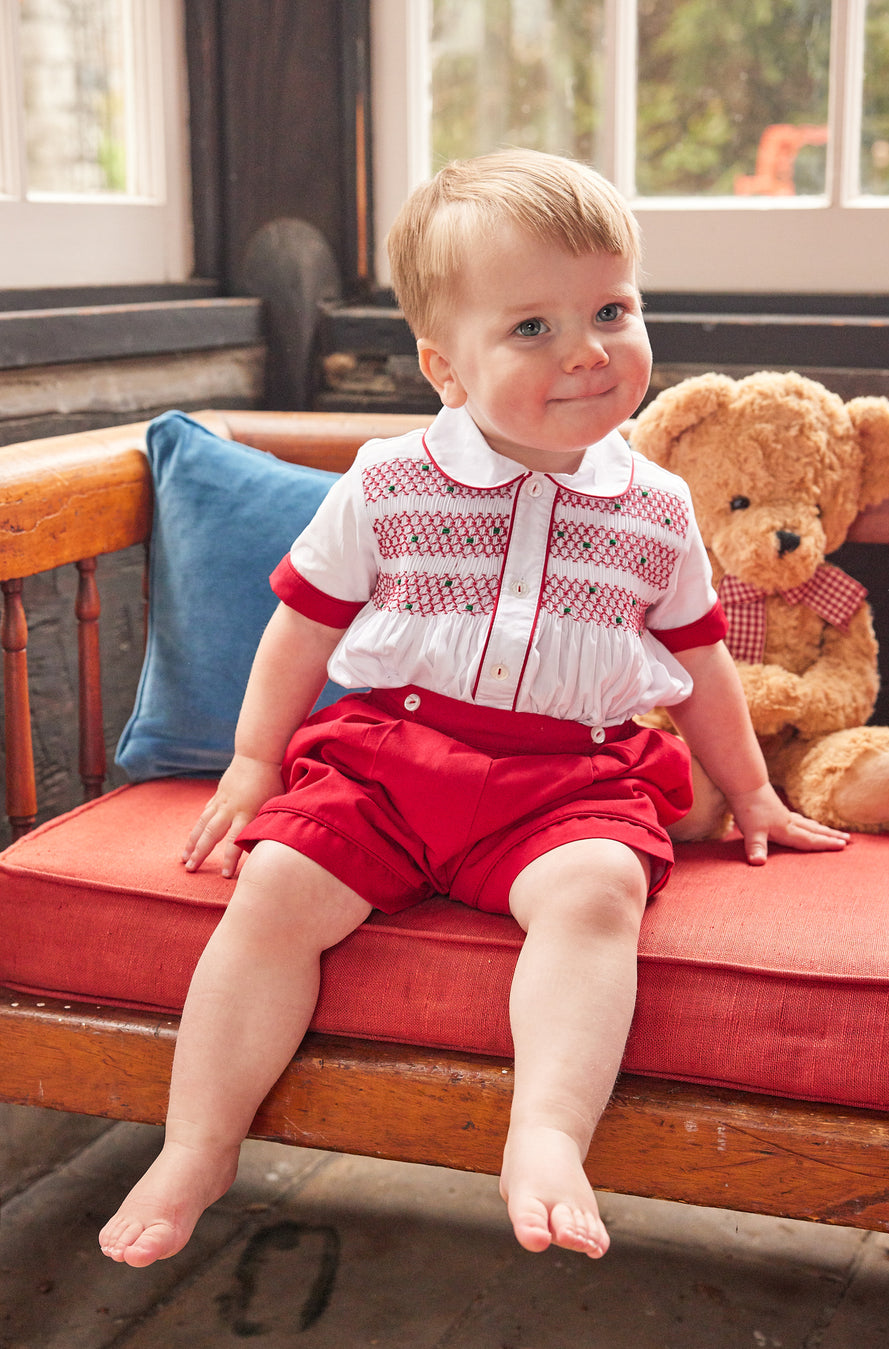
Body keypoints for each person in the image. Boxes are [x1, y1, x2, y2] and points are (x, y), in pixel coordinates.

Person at [99, 148, 847, 1269]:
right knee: (275, 891)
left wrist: (749, 788)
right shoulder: (390, 481)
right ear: (446, 367)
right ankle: (196, 1143)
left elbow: (697, 656)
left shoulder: (656, 505)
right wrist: (255, 764)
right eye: (532, 328)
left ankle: (544, 1133)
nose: (588, 349)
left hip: (568, 778)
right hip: (390, 758)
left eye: (610, 308)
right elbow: (300, 625)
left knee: (596, 893)